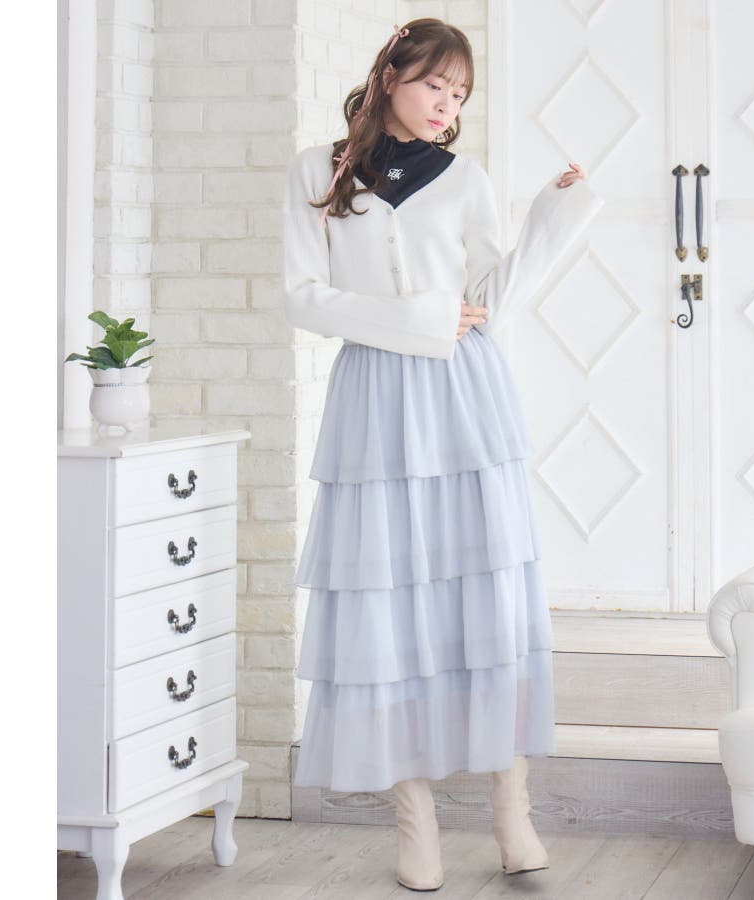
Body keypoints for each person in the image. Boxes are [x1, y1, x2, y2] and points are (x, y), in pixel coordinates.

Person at [281, 18, 603, 892]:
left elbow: (491, 298)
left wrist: (553, 220)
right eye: (434, 84)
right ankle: (413, 824)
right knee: (387, 606)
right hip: (375, 402)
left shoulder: (466, 180)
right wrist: (420, 318)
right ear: (391, 75)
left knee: (486, 597)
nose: (446, 105)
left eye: (459, 93)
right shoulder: (320, 172)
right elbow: (303, 297)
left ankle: (510, 809)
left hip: (464, 396)